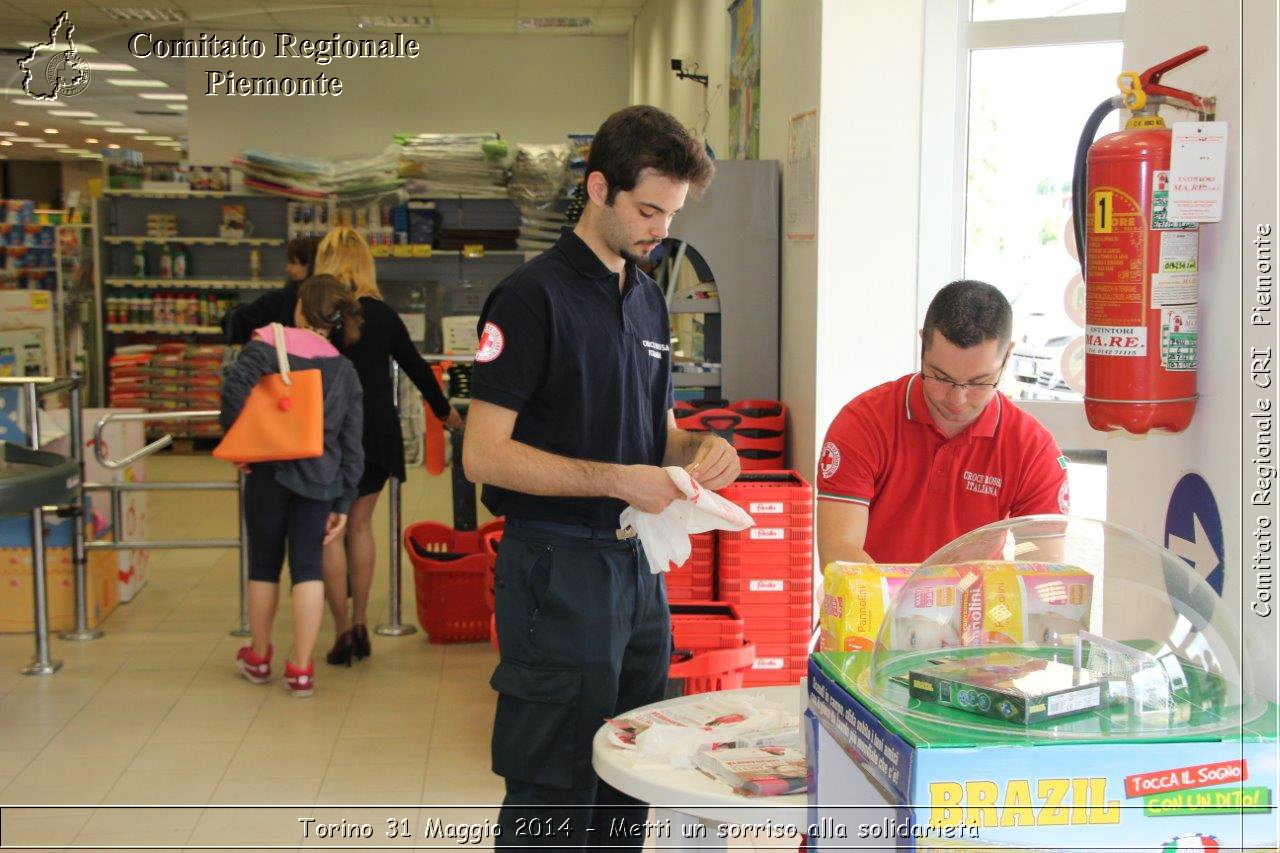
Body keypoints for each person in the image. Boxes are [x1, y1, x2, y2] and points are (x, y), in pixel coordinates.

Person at [463, 105, 738, 849]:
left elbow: (660, 435)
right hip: (555, 570)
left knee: (632, 771)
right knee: (556, 787)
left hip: (636, 567)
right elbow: (483, 454)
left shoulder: (647, 298)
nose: (660, 228)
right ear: (597, 188)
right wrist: (619, 478)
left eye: (672, 213)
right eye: (648, 209)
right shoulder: (530, 298)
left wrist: (701, 450)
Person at [816, 280, 1070, 567]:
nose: (957, 399)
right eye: (940, 377)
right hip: (870, 607)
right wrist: (907, 604)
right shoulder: (863, 423)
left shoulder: (1032, 449)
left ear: (1008, 356)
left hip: (973, 608)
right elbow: (839, 554)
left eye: (979, 382)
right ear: (923, 344)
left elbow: (1042, 569)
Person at [313, 226, 464, 666]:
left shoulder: (314, 315)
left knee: (328, 531)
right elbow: (417, 369)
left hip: (325, 435)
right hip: (375, 435)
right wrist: (448, 416)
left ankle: (340, 629)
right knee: (360, 527)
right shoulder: (380, 313)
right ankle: (362, 621)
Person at [221, 275, 365, 696]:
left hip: (266, 470)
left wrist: (239, 445)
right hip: (320, 479)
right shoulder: (344, 369)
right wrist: (345, 497)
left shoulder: (267, 344)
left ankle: (260, 654)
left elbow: (234, 393)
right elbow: (351, 441)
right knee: (308, 569)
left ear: (301, 308)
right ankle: (301, 668)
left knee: (264, 564)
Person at [222, 235, 321, 344]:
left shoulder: (280, 299)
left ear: (311, 265)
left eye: (293, 263)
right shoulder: (329, 300)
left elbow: (237, 320)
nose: (287, 268)